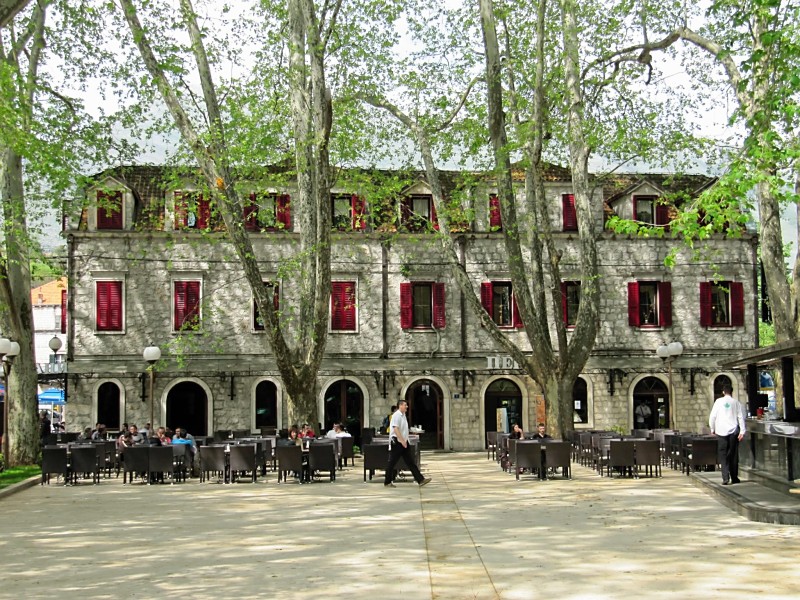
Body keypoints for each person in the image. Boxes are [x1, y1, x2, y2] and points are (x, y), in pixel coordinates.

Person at [384, 400, 431, 488]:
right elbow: (395, 429)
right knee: (392, 462)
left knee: (410, 462)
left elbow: (403, 429)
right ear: (400, 406)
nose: (407, 407)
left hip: (404, 442)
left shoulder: (403, 415)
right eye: (405, 405)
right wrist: (402, 440)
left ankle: (420, 479)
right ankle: (387, 481)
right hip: (397, 442)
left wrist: (406, 439)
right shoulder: (396, 415)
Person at [709, 385, 746, 485]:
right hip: (733, 432)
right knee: (733, 455)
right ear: (731, 392)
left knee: (723, 455)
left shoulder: (718, 402)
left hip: (721, 431)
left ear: (723, 392)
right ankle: (734, 477)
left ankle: (725, 477)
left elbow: (712, 416)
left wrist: (712, 428)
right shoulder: (736, 402)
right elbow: (740, 417)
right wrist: (742, 431)